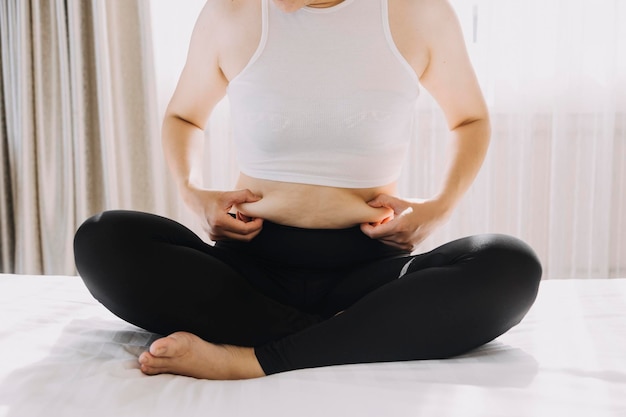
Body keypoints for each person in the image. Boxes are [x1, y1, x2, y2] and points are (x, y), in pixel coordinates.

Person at [74, 0, 542, 380]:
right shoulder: (230, 13)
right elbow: (184, 117)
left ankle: (251, 359)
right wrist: (192, 191)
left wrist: (439, 207)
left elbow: (470, 119)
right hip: (246, 273)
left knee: (510, 265)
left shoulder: (416, 13)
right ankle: (337, 339)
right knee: (103, 238)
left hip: (369, 277)